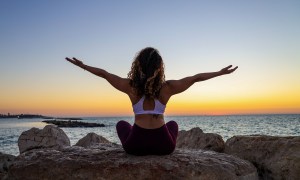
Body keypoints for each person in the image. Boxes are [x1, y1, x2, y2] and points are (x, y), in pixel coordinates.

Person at [65, 47, 238, 156]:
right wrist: (220, 72)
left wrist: (83, 66)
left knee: (121, 124)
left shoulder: (130, 87)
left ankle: (137, 132)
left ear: (137, 66)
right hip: (164, 146)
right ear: (159, 68)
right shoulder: (168, 88)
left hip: (135, 146)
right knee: (173, 125)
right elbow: (196, 78)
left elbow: (104, 74)